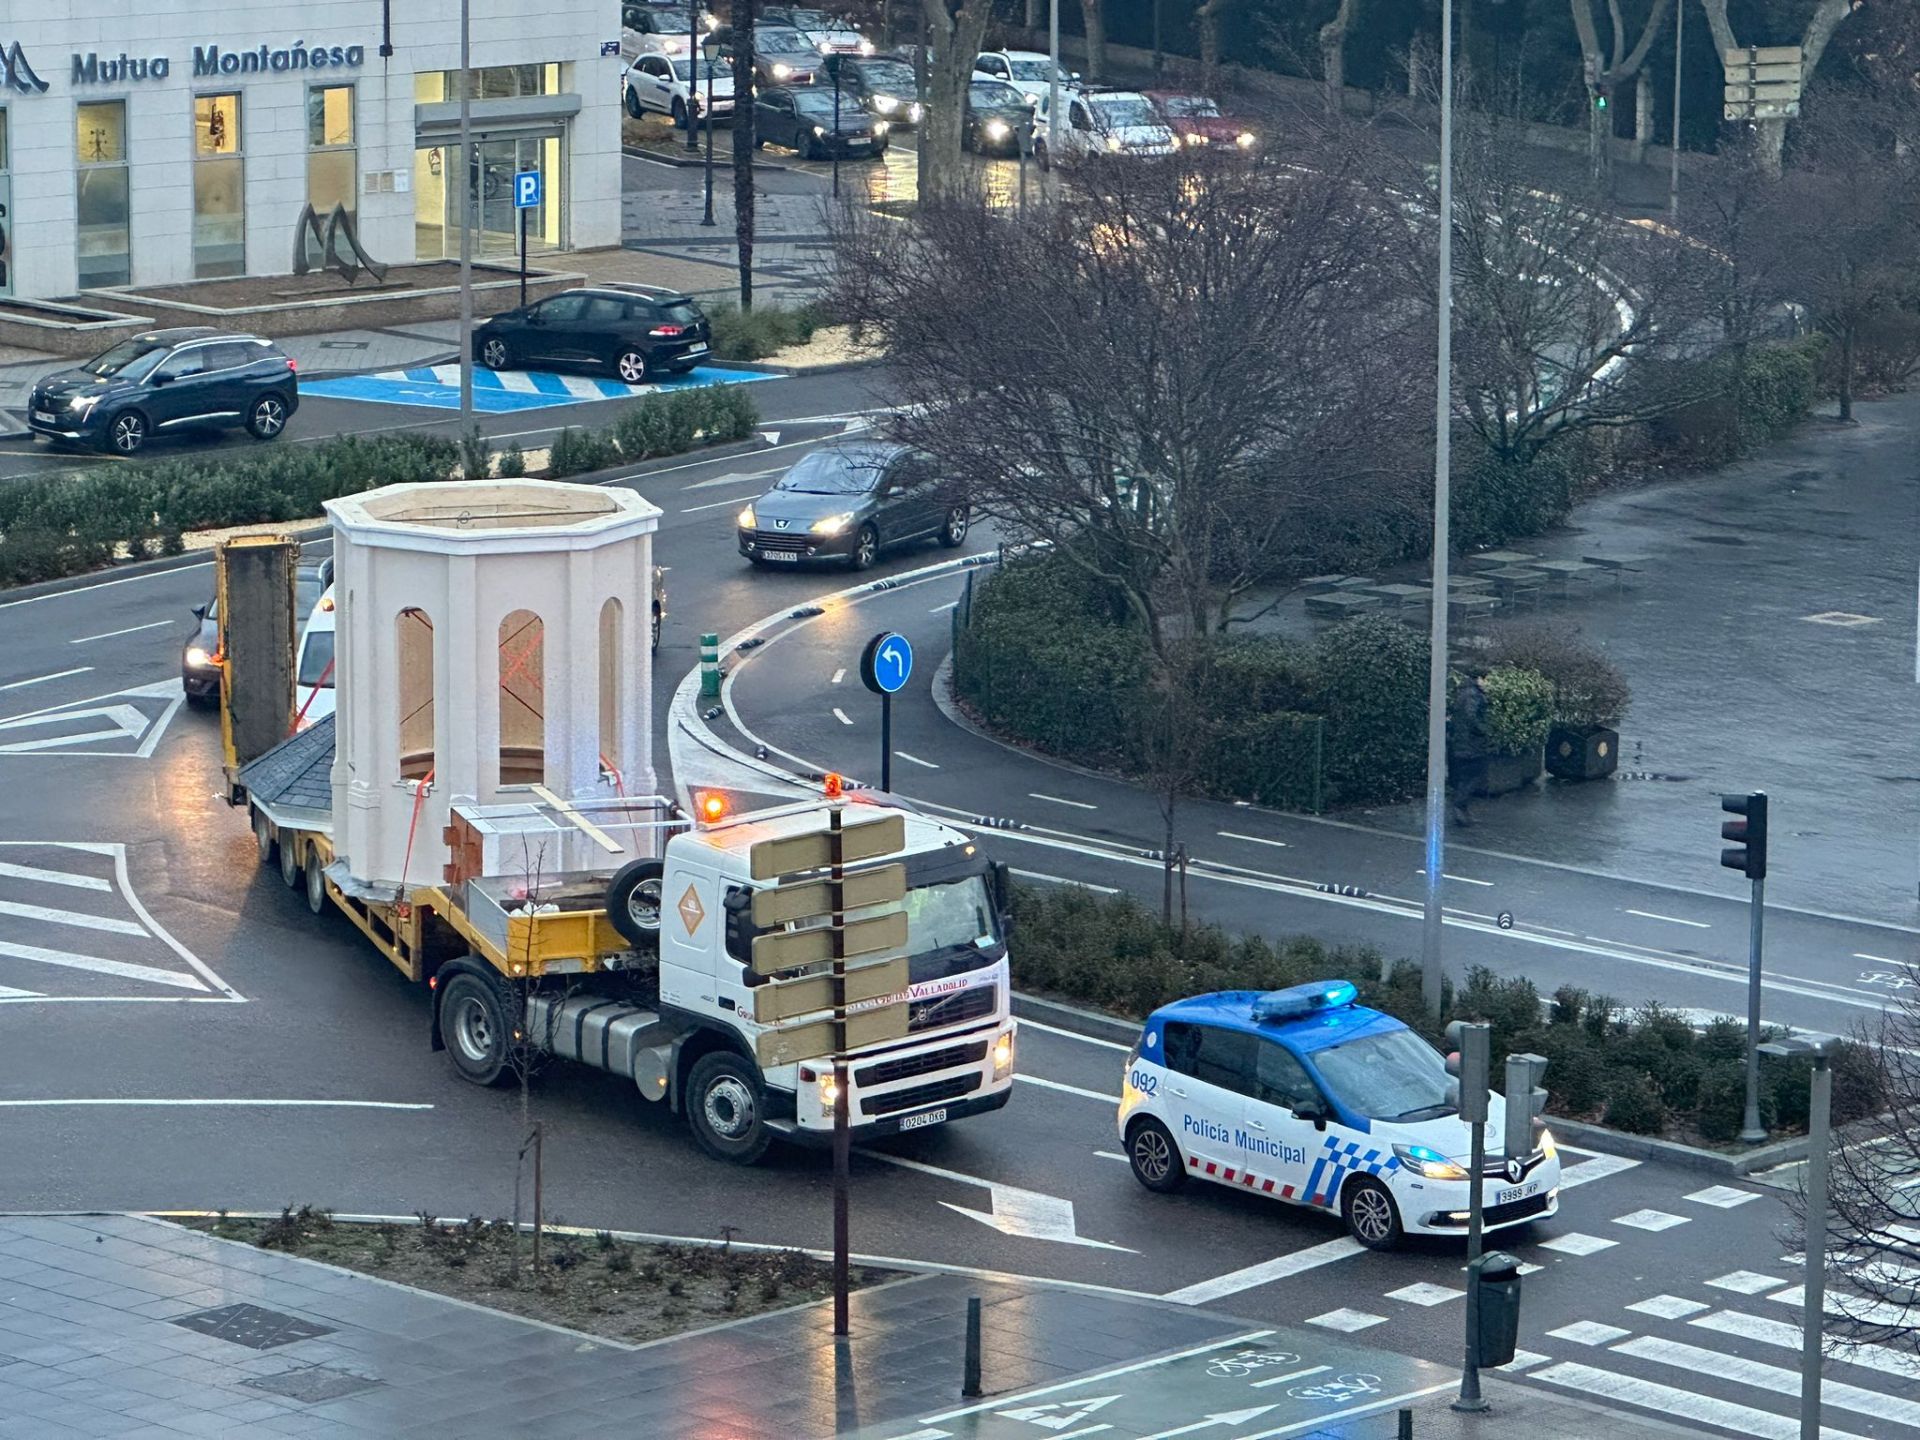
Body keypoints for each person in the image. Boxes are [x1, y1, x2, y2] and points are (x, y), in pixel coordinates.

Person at [1448, 672, 1493, 826]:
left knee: (1467, 776)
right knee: (1473, 775)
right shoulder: (1472, 695)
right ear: (1478, 678)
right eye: (1486, 679)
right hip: (1470, 743)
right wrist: (1484, 730)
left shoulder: (1463, 692)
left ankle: (1462, 809)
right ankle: (1459, 806)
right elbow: (1471, 717)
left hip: (1463, 742)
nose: (1487, 683)